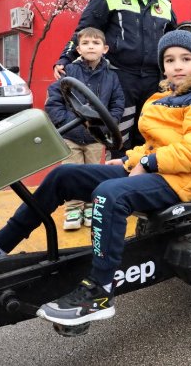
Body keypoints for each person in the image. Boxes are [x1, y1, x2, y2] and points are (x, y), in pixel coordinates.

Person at [0, 31, 191, 326]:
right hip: (153, 168)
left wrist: (145, 162)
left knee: (111, 194)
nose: (177, 66)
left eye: (186, 58)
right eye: (170, 60)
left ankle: (100, 292)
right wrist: (132, 159)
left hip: (178, 181)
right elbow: (154, 144)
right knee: (64, 175)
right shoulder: (164, 96)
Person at [53, 0, 178, 158]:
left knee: (150, 135)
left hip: (154, 81)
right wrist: (65, 57)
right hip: (120, 79)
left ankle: (142, 183)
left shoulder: (164, 5)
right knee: (120, 139)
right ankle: (117, 185)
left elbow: (175, 42)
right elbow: (85, 30)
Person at [44, 27, 126, 231]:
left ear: (105, 49)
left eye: (96, 43)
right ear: (78, 49)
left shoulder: (111, 77)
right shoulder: (69, 72)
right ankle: (73, 208)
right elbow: (54, 99)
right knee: (72, 172)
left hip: (96, 137)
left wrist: (109, 123)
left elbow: (117, 102)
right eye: (86, 43)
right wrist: (64, 122)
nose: (91, 46)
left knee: (92, 173)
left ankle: (90, 206)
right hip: (70, 136)